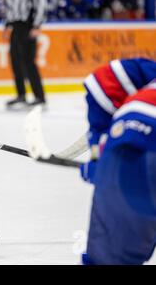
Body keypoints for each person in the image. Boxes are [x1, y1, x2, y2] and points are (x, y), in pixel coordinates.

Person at [80, 58, 156, 265]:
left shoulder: (144, 70)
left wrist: (103, 161)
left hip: (140, 123)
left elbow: (101, 80)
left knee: (110, 259)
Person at [3, 0, 46, 109]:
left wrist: (36, 26)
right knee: (15, 60)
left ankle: (39, 96)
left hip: (28, 26)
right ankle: (21, 94)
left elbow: (40, 5)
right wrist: (8, 24)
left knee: (29, 61)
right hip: (16, 26)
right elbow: (10, 6)